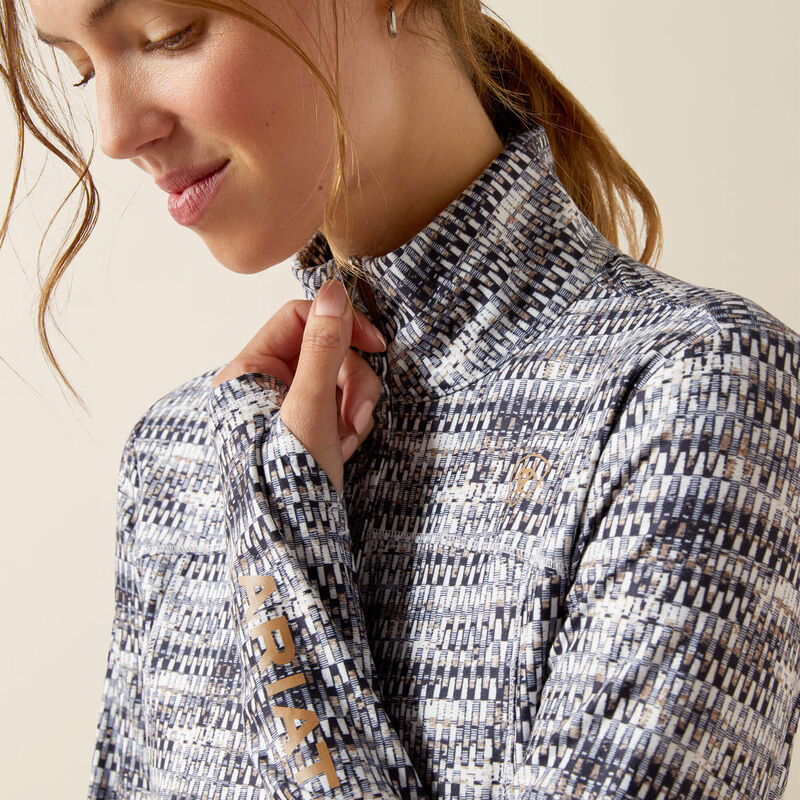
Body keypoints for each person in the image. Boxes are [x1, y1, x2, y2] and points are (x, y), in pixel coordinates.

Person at [3, 1, 799, 798]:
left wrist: (280, 551)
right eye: (82, 67)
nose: (111, 132)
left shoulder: (698, 399)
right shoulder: (183, 458)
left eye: (166, 34)